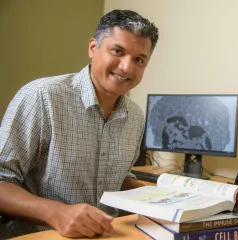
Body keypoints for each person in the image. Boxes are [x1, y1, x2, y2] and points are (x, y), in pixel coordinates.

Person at [0, 9, 159, 239]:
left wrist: (164, 197)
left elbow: (115, 181)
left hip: (109, 234)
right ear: (93, 48)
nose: (126, 67)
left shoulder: (135, 116)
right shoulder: (42, 97)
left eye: (139, 59)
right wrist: (56, 213)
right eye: (118, 51)